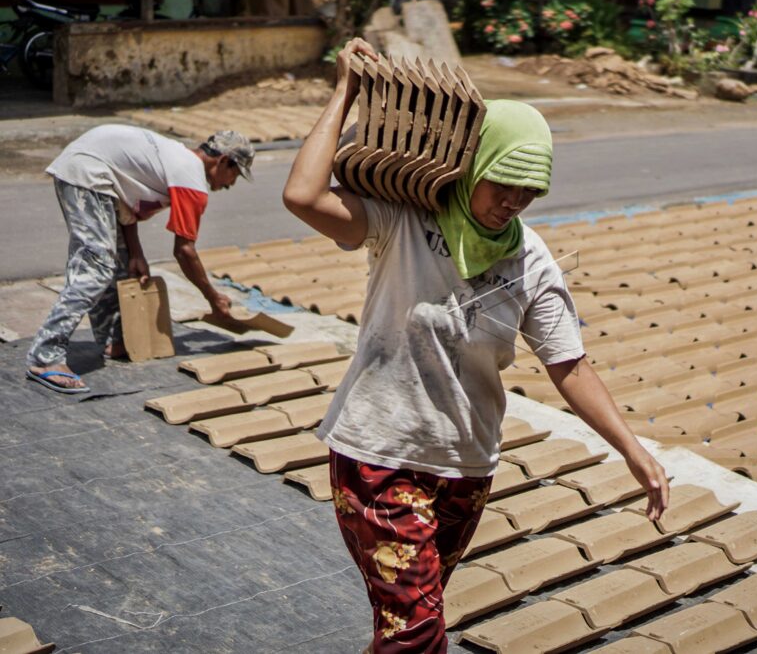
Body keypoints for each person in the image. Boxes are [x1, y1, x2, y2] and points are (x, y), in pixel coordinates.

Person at [282, 38, 669, 653]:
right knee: (418, 631)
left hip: (465, 469)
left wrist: (632, 450)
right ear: (473, 163)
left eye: (529, 191)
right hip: (380, 456)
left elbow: (568, 364)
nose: (512, 202)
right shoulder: (404, 219)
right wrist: (345, 91)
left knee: (409, 622)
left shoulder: (532, 260)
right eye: (502, 184)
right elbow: (304, 196)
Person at [25, 125, 254, 394]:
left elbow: (127, 204)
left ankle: (113, 339)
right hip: (87, 172)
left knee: (117, 263)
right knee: (96, 267)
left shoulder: (175, 163)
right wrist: (213, 297)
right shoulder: (190, 176)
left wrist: (136, 254)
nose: (230, 185)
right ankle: (45, 356)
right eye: (235, 175)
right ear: (224, 161)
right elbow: (184, 250)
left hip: (97, 176)